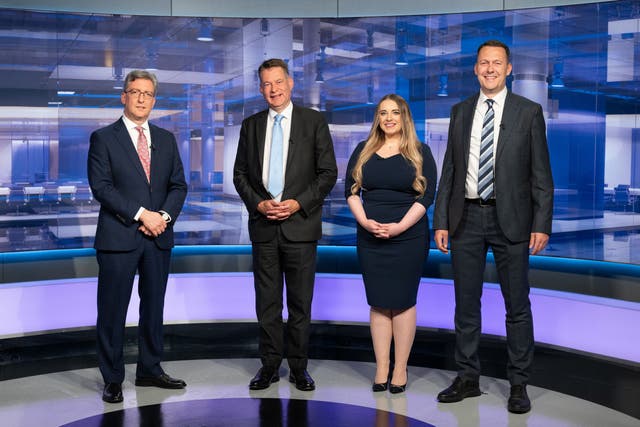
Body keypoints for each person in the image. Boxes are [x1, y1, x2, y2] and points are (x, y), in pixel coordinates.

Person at [433, 40, 554, 414]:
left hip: (513, 221)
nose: (489, 68)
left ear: (509, 69)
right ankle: (468, 378)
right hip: (465, 218)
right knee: (466, 304)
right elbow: (449, 171)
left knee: (517, 306)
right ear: (475, 69)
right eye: (483, 63)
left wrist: (541, 223)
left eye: (496, 63)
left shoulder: (528, 112)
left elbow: (541, 176)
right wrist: (441, 220)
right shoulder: (459, 111)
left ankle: (518, 383)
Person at [233, 58, 337, 391]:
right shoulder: (250, 125)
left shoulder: (313, 121)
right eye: (266, 84)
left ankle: (298, 367)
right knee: (266, 303)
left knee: (299, 303)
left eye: (278, 82)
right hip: (263, 227)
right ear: (260, 88)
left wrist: (298, 203)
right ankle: (268, 365)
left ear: (290, 83)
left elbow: (328, 173)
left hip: (300, 227)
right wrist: (257, 203)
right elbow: (240, 175)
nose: (273, 89)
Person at [87, 70, 188, 403]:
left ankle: (149, 369)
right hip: (119, 237)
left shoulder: (166, 138)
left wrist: (163, 216)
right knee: (113, 311)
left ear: (154, 100)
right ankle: (113, 378)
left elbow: (178, 186)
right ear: (124, 97)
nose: (142, 98)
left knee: (154, 307)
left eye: (148, 93)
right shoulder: (103, 138)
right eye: (135, 91)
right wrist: (141, 214)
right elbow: (102, 188)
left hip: (158, 237)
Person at [345, 94, 437, 394]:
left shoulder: (420, 152)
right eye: (383, 113)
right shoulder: (363, 150)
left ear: (404, 116)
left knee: (403, 301)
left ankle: (400, 368)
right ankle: (382, 367)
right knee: (379, 302)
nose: (389, 118)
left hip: (408, 237)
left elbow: (427, 197)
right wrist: (364, 222)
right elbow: (351, 191)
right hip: (370, 237)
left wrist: (398, 228)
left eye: (395, 112)